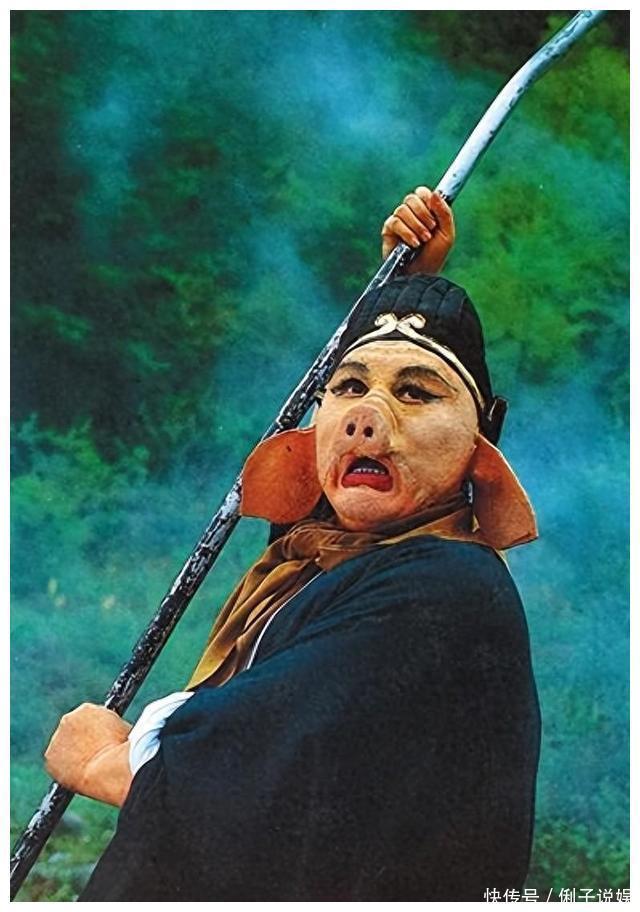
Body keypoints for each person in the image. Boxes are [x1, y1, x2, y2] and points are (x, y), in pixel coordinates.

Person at [44, 187, 541, 901]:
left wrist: (108, 762)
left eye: (416, 393)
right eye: (348, 388)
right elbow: (328, 507)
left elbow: (272, 756)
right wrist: (401, 288)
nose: (366, 418)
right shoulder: (329, 557)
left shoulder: (447, 588)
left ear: (478, 442)